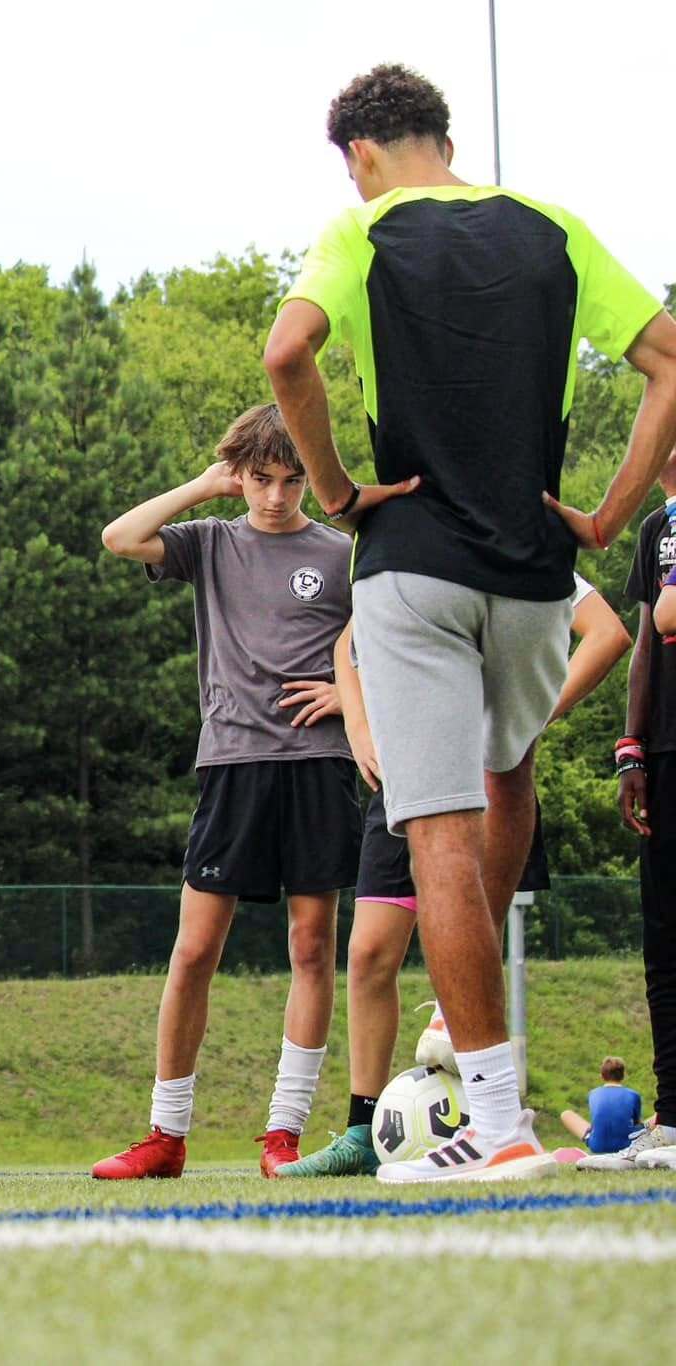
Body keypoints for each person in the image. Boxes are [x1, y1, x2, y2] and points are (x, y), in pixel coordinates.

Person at [264, 63, 676, 1184]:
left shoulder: (361, 234)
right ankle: (465, 1034)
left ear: (358, 156)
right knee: (507, 781)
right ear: (441, 138)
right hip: (536, 576)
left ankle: (493, 1118)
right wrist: (606, 514)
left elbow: (283, 354)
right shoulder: (554, 228)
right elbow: (667, 363)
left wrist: (338, 489)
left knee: (433, 829)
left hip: (411, 572)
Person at [283, 577, 629, 1176]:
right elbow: (349, 644)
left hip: (482, 779)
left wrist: (525, 719)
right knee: (367, 954)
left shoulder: (516, 542)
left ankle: (486, 1124)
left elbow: (607, 632)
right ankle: (364, 1130)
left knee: (474, 932)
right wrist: (361, 725)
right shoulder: (404, 547)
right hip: (404, 774)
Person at [92, 405, 359, 1180]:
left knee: (312, 948)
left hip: (319, 764)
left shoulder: (342, 554)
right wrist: (204, 487)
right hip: (233, 765)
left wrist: (349, 695)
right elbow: (120, 537)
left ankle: (284, 1135)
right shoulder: (209, 542)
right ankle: (167, 1135)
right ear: (238, 475)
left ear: (309, 475)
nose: (275, 496)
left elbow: (387, 641)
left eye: (290, 479)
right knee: (194, 950)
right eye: (259, 479)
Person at [609, 467, 676, 1169]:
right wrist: (633, 749)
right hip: (666, 747)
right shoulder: (660, 527)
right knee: (664, 940)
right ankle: (673, 1115)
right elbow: (649, 638)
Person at [564, 1058, 644, 1158]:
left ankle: (594, 1136)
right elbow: (637, 1123)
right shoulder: (633, 1095)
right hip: (627, 1146)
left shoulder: (593, 1094)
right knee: (652, 1120)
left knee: (566, 1114)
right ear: (623, 1075)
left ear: (602, 1076)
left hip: (597, 1146)